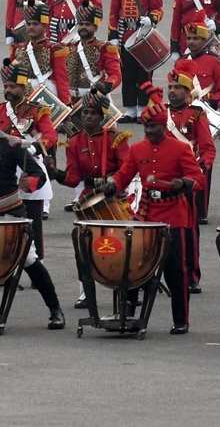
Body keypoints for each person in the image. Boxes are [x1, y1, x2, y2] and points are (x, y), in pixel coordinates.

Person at [105, 84, 204, 334]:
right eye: (146, 127)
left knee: (175, 272)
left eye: (154, 127)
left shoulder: (181, 149)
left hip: (174, 216)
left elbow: (198, 178)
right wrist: (110, 185)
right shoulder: (138, 149)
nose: (149, 131)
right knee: (134, 265)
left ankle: (181, 320)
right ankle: (127, 313)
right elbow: (124, 175)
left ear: (163, 127)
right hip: (147, 216)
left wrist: (183, 183)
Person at [46, 91, 130, 308]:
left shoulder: (115, 138)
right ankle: (86, 292)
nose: (89, 117)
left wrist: (113, 182)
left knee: (121, 245)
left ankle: (125, 290)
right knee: (82, 246)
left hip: (114, 195)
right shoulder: (74, 142)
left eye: (93, 113)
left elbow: (128, 168)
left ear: (101, 117)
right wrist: (55, 172)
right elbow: (74, 179)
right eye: (85, 113)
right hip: (89, 196)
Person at [0, 132, 65, 330]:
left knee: (28, 259)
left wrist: (30, 184)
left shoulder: (11, 144)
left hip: (11, 214)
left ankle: (55, 309)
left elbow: (39, 174)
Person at [165, 60, 216, 292]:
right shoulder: (161, 113)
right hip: (165, 179)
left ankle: (191, 274)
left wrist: (201, 169)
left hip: (187, 181)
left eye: (178, 88)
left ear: (187, 92)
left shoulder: (196, 115)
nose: (173, 91)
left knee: (188, 230)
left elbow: (207, 148)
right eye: (171, 87)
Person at [0, 61, 57, 261]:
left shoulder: (37, 110)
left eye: (12, 86)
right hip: (6, 170)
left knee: (33, 220)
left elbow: (50, 136)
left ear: (23, 87)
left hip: (30, 166)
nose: (8, 90)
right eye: (6, 86)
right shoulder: (0, 110)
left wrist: (29, 145)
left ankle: (36, 262)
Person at [108, 0, 164, 123]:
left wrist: (151, 19)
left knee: (143, 72)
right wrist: (114, 35)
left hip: (143, 34)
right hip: (126, 33)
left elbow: (158, 8)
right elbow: (114, 11)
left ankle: (142, 108)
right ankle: (130, 109)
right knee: (128, 72)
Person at [11, 0, 70, 104]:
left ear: (44, 25)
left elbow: (61, 79)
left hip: (48, 96)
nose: (31, 27)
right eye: (28, 24)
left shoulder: (54, 49)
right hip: (25, 96)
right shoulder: (19, 49)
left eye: (35, 24)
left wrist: (65, 102)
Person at [65, 1, 122, 101]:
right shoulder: (68, 47)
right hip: (71, 101)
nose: (83, 27)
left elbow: (116, 75)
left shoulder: (105, 48)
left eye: (87, 24)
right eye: (81, 24)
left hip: (94, 99)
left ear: (95, 27)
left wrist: (105, 87)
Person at [183, 11, 220, 109]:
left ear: (204, 41)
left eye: (195, 39)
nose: (191, 42)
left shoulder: (215, 62)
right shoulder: (181, 62)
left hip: (208, 110)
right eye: (189, 38)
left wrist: (209, 98)